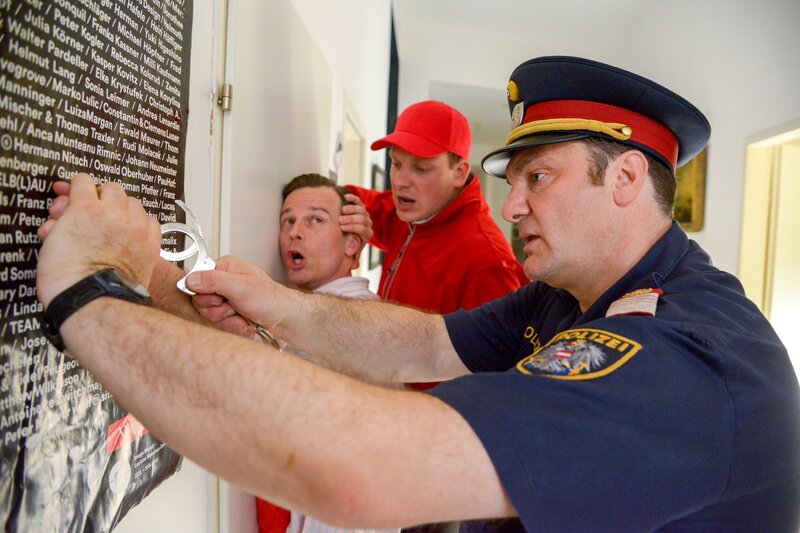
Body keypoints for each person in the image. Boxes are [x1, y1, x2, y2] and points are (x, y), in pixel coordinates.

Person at [36, 56, 800, 532]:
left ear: (628, 178)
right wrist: (278, 305)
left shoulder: (687, 357)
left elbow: (360, 466)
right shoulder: (568, 293)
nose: (513, 206)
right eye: (513, 181)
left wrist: (85, 293)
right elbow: (424, 343)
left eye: (538, 178)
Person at [347, 100, 528, 391]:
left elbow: (498, 376)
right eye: (396, 163)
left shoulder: (486, 260)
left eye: (421, 168)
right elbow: (350, 200)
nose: (402, 181)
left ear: (459, 172)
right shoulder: (409, 210)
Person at [257, 173, 397, 533]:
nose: (294, 232)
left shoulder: (359, 328)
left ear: (352, 244)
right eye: (288, 220)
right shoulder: (304, 318)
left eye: (315, 220)